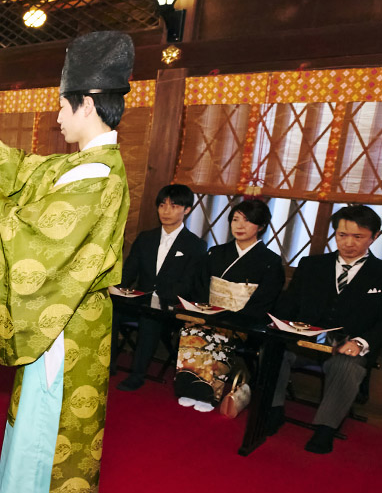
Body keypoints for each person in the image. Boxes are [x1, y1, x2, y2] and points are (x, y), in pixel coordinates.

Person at [0, 30, 134, 493]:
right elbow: (32, 172)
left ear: (88, 105)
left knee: (52, 412)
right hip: (64, 313)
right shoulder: (88, 165)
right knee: (40, 406)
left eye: (62, 106)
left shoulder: (99, 175)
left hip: (66, 316)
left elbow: (42, 242)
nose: (57, 116)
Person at [270, 204, 382, 453]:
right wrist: (279, 325)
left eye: (358, 236)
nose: (348, 243)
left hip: (348, 345)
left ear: (375, 236)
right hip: (303, 340)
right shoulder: (312, 265)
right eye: (342, 235)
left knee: (346, 366)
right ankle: (274, 410)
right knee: (274, 350)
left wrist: (361, 343)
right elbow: (288, 305)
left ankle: (325, 429)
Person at [174, 199, 284, 411]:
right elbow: (201, 286)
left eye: (248, 221)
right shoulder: (216, 253)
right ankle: (189, 389)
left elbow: (264, 300)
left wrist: (235, 319)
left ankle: (207, 394)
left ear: (261, 227)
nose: (239, 226)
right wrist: (204, 311)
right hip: (210, 313)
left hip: (243, 321)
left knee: (216, 334)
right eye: (235, 220)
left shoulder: (270, 261)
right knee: (192, 329)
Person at [115, 183, 207, 391]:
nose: (166, 211)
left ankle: (137, 375)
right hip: (141, 298)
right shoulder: (146, 238)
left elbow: (188, 283)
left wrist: (158, 298)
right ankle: (108, 364)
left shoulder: (195, 245)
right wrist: (116, 291)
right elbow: (129, 272)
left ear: (187, 210)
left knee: (151, 317)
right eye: (162, 205)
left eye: (174, 206)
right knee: (111, 310)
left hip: (170, 305)